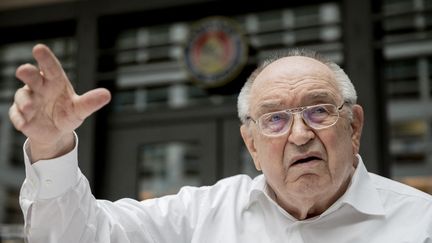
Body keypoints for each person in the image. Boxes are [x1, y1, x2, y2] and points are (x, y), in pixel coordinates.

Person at [9, 44, 432, 243]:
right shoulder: (198, 218)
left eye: (319, 111)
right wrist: (52, 146)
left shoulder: (421, 223)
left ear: (353, 126)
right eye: (276, 119)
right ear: (251, 143)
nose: (300, 135)